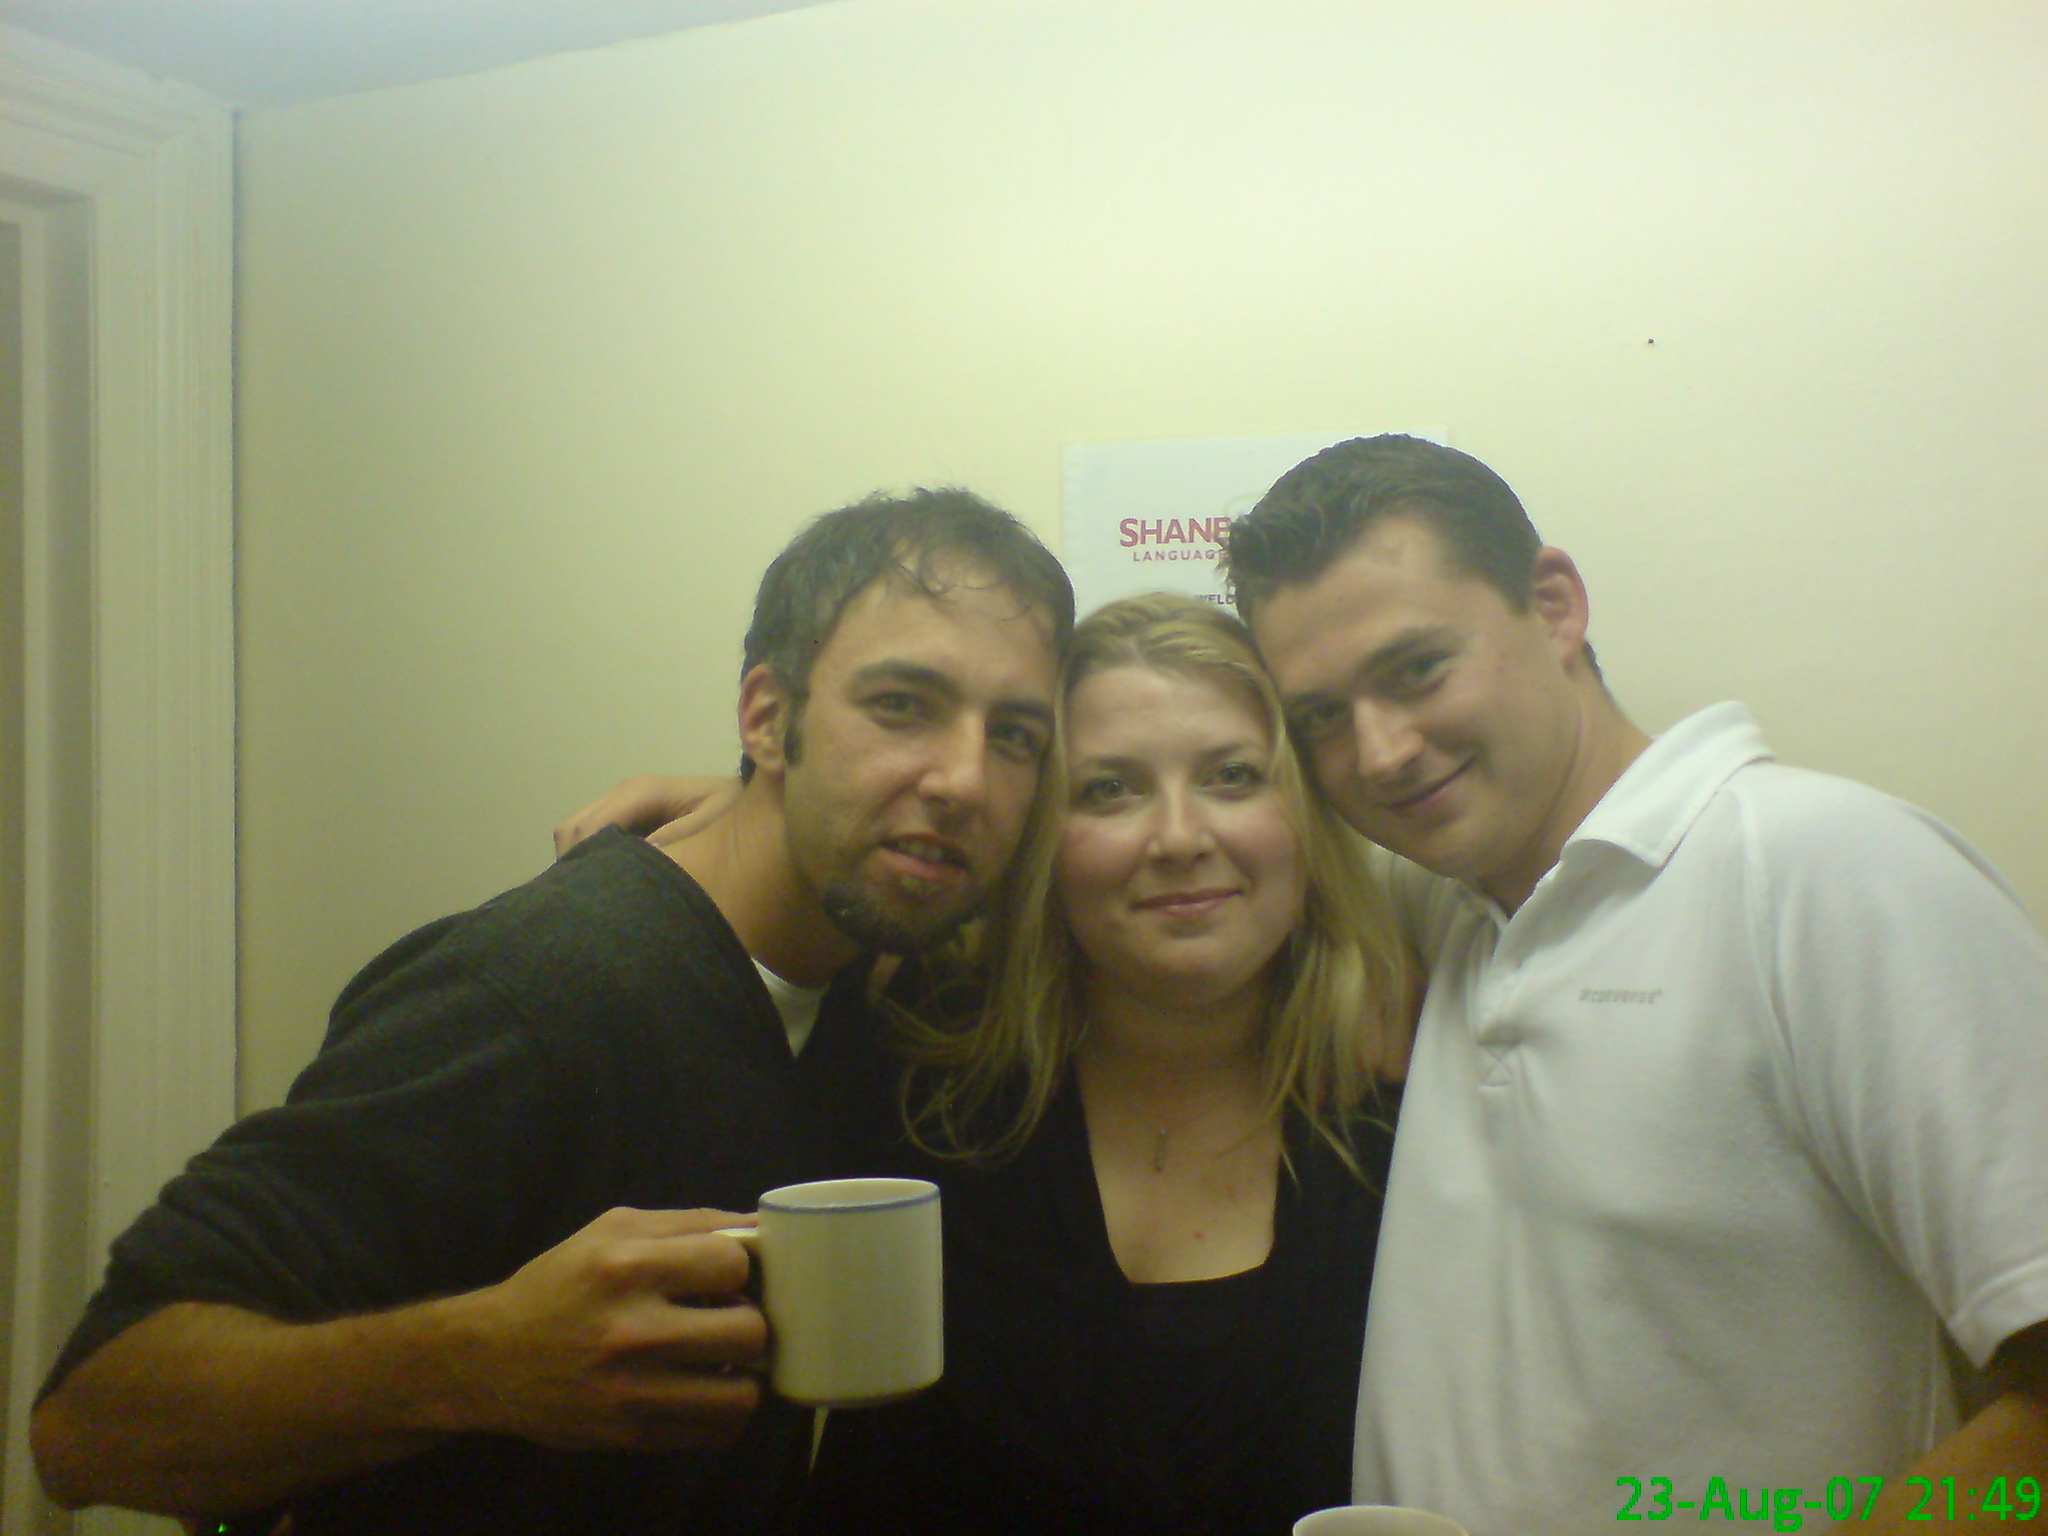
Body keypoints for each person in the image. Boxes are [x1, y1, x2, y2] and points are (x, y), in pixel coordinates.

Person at [29, 487, 1073, 1535]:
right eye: (901, 705)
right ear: (766, 715)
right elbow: (91, 1421)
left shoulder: (875, 976)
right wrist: (476, 1362)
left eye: (1016, 735)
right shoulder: (543, 991)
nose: (964, 779)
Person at [1220, 434, 2048, 1536]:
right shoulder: (1442, 906)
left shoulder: (1824, 870)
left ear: (1554, 606)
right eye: (1321, 717)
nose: (1378, 754)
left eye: (1416, 669)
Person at [569, 592, 1413, 1535]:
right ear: (1037, 842)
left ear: (1304, 817)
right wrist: (738, 799)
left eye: (1232, 776)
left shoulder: (1408, 1103)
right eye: (1109, 790)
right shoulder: (912, 1055)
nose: (1180, 839)